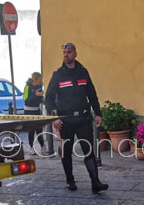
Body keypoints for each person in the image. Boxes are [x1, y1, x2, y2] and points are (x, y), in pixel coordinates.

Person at [44, 42, 108, 193]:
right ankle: (70, 180)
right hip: (65, 121)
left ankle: (95, 183)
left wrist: (98, 112)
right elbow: (49, 98)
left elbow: (91, 93)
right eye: (64, 52)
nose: (66, 55)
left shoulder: (83, 72)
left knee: (89, 150)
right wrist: (53, 117)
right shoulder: (58, 74)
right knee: (67, 151)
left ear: (75, 54)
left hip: (83, 119)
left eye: (69, 52)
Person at [23, 72, 45, 153]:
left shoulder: (39, 86)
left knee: (39, 129)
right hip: (28, 110)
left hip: (37, 110)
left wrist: (42, 99)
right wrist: (35, 95)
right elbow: (26, 100)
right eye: (39, 80)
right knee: (31, 130)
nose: (41, 82)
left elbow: (40, 97)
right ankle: (31, 147)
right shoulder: (27, 87)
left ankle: (42, 146)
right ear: (34, 79)